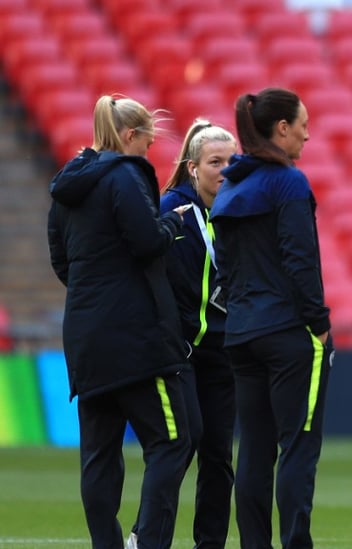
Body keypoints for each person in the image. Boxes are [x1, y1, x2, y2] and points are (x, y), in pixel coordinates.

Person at [47, 94, 193, 549]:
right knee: (173, 440)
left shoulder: (65, 187)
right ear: (130, 137)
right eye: (147, 144)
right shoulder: (126, 175)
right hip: (136, 339)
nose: (148, 154)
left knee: (99, 456)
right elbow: (147, 241)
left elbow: (61, 262)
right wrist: (171, 224)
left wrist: (98, 294)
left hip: (85, 338)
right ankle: (147, 542)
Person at [210, 88, 334, 549]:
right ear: (282, 128)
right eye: (302, 123)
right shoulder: (289, 182)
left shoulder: (231, 186)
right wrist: (318, 319)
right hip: (288, 333)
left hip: (241, 334)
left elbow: (225, 267)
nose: (307, 132)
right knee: (298, 446)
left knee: (255, 452)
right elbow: (300, 259)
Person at [129, 120, 237, 549]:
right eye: (215, 162)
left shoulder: (240, 209)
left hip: (223, 350)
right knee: (182, 443)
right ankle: (146, 535)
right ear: (193, 168)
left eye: (232, 161)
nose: (225, 170)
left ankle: (209, 543)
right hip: (181, 351)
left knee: (218, 455)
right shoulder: (171, 211)